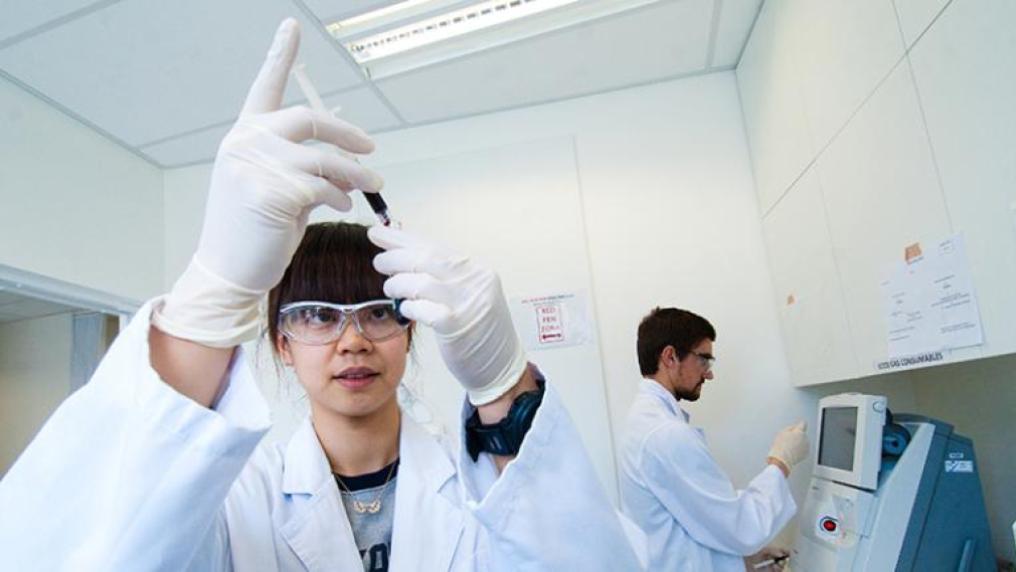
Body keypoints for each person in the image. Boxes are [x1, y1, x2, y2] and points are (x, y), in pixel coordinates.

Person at [0, 19, 642, 571]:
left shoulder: (479, 493)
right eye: (315, 316)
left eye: (376, 313)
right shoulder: (234, 504)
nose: (353, 340)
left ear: (412, 329)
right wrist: (209, 297)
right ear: (280, 343)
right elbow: (67, 551)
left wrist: (505, 384)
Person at [619, 307, 809, 571]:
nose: (709, 374)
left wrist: (743, 562)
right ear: (670, 357)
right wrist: (781, 462)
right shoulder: (665, 434)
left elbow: (691, 524)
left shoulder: (646, 420)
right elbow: (742, 527)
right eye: (703, 360)